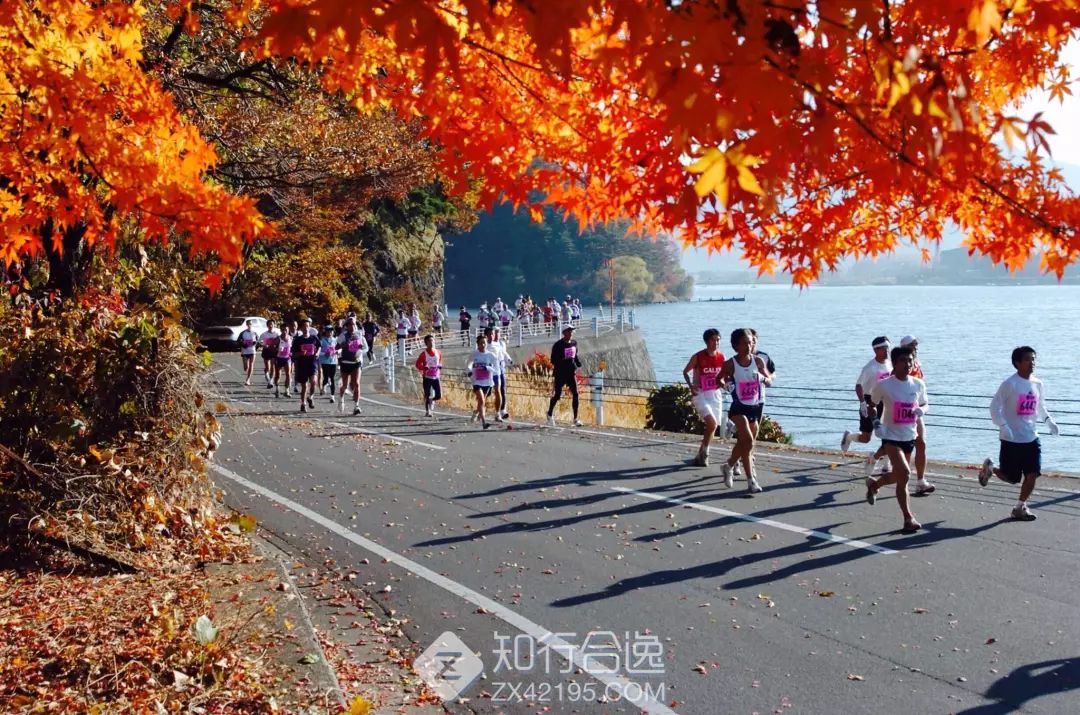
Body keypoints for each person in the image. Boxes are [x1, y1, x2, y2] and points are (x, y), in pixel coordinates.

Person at [978, 346, 1060, 521]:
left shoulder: (1037, 384)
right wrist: (1003, 425)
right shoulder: (1010, 384)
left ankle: (1020, 507)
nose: (1032, 363)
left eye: (1033, 359)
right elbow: (994, 407)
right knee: (1012, 478)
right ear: (1017, 363)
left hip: (1031, 437)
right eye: (1028, 359)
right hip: (1011, 439)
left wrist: (1049, 421)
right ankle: (991, 469)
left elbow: (1039, 406)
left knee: (1032, 473)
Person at [864, 345, 928, 534]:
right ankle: (909, 519)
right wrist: (875, 421)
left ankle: (874, 484)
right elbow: (872, 405)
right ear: (895, 363)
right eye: (903, 360)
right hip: (890, 436)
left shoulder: (918, 384)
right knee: (906, 474)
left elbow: (925, 404)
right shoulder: (884, 385)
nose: (908, 364)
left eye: (910, 360)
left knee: (900, 477)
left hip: (909, 435)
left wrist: (921, 411)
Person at [719, 328, 772, 493]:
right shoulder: (730, 363)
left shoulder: (758, 362)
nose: (749, 346)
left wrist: (762, 378)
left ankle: (728, 466)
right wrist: (726, 385)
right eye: (744, 343)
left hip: (754, 407)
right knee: (748, 440)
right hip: (738, 408)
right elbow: (718, 378)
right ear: (736, 346)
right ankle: (751, 481)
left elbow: (770, 381)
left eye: (750, 342)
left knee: (745, 444)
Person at [841, 337, 892, 459]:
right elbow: (858, 385)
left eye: (888, 348)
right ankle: (848, 437)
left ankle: (886, 464)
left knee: (888, 434)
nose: (887, 351)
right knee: (866, 438)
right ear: (876, 350)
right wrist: (863, 403)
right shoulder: (870, 367)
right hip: (870, 402)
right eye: (884, 348)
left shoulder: (890, 364)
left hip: (885, 402)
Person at [683, 328, 726, 467]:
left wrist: (723, 382)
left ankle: (699, 456)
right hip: (700, 394)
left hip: (715, 394)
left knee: (712, 427)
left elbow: (723, 376)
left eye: (718, 340)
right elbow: (685, 371)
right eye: (713, 340)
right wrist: (691, 386)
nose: (716, 342)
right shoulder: (698, 356)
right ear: (707, 341)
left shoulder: (721, 357)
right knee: (711, 424)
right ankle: (706, 453)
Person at [898, 335, 935, 495]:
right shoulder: (899, 366)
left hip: (915, 410)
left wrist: (922, 406)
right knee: (899, 446)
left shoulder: (918, 364)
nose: (917, 346)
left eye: (917, 344)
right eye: (914, 344)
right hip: (900, 411)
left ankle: (920, 481)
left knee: (921, 443)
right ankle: (879, 460)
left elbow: (920, 388)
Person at [547, 325, 583, 427]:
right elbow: (553, 360)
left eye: (572, 331)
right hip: (560, 373)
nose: (571, 333)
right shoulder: (558, 345)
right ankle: (549, 413)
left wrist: (577, 363)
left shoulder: (574, 343)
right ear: (564, 333)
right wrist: (563, 360)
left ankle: (575, 419)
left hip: (571, 373)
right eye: (569, 331)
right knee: (557, 395)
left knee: (576, 394)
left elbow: (575, 356)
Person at [336, 317, 367, 415]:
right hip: (345, 362)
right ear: (347, 326)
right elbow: (336, 347)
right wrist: (344, 345)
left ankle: (356, 406)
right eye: (350, 324)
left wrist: (361, 350)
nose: (352, 326)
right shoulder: (343, 335)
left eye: (353, 324)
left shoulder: (359, 335)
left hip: (356, 362)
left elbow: (366, 348)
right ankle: (341, 399)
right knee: (344, 385)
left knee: (356, 383)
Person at [466, 333, 498, 430]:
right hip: (477, 381)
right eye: (480, 343)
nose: (482, 345)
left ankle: (476, 412)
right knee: (482, 400)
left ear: (486, 344)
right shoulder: (474, 354)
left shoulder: (491, 355)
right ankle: (484, 423)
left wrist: (486, 367)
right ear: (477, 344)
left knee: (481, 403)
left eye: (484, 343)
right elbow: (468, 364)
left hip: (488, 382)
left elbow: (496, 369)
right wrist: (470, 371)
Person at [291, 316, 320, 412]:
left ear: (309, 327)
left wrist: (317, 353)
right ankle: (303, 404)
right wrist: (300, 353)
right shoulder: (298, 340)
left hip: (312, 363)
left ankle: (310, 397)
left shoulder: (314, 338)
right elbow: (293, 353)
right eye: (303, 326)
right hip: (302, 364)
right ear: (301, 328)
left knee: (313, 382)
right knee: (304, 386)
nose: (305, 328)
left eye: (307, 326)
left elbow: (319, 347)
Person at [487, 326, 514, 421]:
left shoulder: (501, 343)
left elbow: (504, 353)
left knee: (502, 389)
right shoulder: (486, 344)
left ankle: (502, 411)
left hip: (500, 368)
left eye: (498, 332)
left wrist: (509, 360)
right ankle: (480, 409)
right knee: (488, 391)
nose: (496, 334)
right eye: (495, 332)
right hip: (489, 370)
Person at [415, 334, 443, 417]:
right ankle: (428, 411)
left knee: (439, 395)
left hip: (436, 376)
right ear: (426, 343)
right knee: (427, 394)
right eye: (429, 341)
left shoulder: (438, 352)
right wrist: (424, 367)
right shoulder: (424, 354)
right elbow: (417, 364)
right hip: (427, 377)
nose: (432, 342)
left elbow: (441, 360)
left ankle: (431, 400)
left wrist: (440, 365)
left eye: (433, 340)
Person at [319, 324, 338, 401]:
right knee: (326, 377)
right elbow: (318, 351)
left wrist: (337, 352)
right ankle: (323, 386)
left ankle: (332, 396)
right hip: (325, 361)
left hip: (333, 361)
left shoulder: (335, 340)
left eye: (331, 331)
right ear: (325, 332)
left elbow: (340, 349)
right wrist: (324, 353)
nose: (330, 333)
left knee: (332, 378)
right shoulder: (322, 340)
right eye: (328, 331)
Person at [236, 319, 259, 386]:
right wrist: (243, 344)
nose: (249, 325)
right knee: (246, 367)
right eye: (248, 324)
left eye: (250, 324)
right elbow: (238, 341)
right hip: (245, 351)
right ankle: (246, 368)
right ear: (246, 325)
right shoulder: (243, 333)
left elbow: (258, 342)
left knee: (251, 364)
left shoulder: (254, 333)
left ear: (252, 325)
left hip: (252, 351)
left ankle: (248, 379)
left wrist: (255, 344)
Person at [273, 325, 293, 398]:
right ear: (281, 330)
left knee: (288, 374)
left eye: (286, 330)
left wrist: (291, 353)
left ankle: (286, 391)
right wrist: (277, 350)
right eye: (283, 330)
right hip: (279, 358)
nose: (285, 331)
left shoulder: (291, 338)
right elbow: (272, 348)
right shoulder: (277, 339)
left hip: (287, 358)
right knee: (278, 375)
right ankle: (277, 389)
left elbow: (293, 348)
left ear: (288, 330)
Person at [259, 320, 280, 388]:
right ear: (267, 325)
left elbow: (279, 342)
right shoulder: (264, 334)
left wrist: (276, 346)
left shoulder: (277, 334)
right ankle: (266, 374)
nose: (271, 326)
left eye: (272, 324)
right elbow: (260, 342)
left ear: (274, 325)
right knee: (267, 367)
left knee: (272, 366)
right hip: (266, 351)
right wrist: (264, 345)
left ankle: (271, 381)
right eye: (269, 324)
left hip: (273, 352)